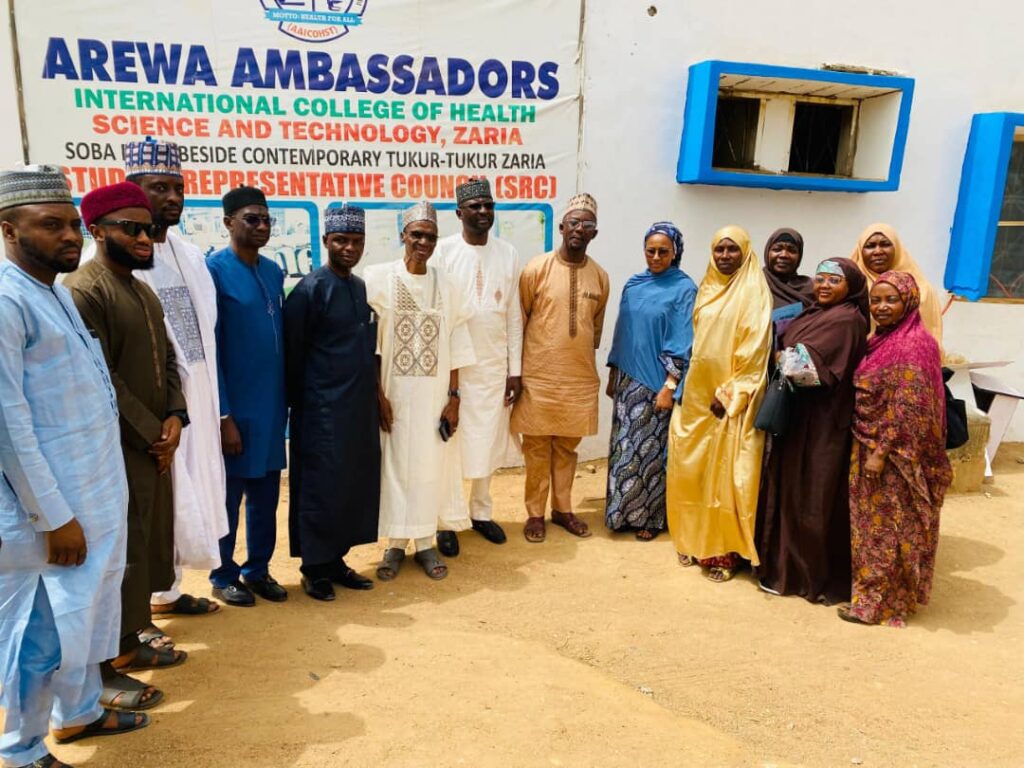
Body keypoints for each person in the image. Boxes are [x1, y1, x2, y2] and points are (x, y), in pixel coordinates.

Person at [0, 165, 146, 768]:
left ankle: (80, 711)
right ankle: (20, 748)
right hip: (46, 511)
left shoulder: (53, 290)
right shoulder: (7, 300)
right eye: (50, 225)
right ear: (9, 230)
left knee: (87, 613)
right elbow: (9, 424)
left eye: (71, 225)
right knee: (41, 632)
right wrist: (52, 517)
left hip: (92, 493)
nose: (68, 236)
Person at [64, 182, 189, 713]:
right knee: (117, 554)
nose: (145, 238)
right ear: (97, 230)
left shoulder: (142, 292)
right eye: (132, 228)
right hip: (112, 449)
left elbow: (168, 361)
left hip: (152, 446)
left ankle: (128, 640)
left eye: (149, 229)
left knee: (146, 546)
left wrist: (175, 416)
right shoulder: (83, 291)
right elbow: (101, 379)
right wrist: (150, 431)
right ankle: (103, 666)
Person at [119, 137, 226, 636]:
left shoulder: (190, 254)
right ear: (133, 189)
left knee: (186, 498)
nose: (173, 198)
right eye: (159, 187)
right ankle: (136, 616)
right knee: (151, 507)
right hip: (152, 408)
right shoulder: (120, 258)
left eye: (178, 187)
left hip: (195, 399)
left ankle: (167, 592)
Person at [366, 201, 475, 582]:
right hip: (394, 396)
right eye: (416, 235)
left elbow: (458, 343)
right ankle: (395, 545)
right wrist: (378, 395)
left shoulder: (448, 284)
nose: (423, 242)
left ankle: (426, 543)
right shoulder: (379, 279)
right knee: (394, 468)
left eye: (430, 236)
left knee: (430, 470)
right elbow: (372, 346)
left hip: (434, 398)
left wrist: (454, 399)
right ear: (403, 235)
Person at [840, 271, 952, 627]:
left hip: (893, 457)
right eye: (876, 300)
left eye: (892, 300)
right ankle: (873, 597)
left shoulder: (914, 345)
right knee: (872, 529)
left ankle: (877, 605)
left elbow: (910, 408)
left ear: (909, 302)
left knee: (886, 530)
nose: (882, 307)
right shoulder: (880, 340)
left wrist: (880, 453)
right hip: (867, 444)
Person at [755, 258, 869, 604]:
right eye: (820, 279)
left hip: (823, 423)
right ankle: (783, 567)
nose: (824, 286)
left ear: (850, 286)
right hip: (799, 417)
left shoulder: (847, 320)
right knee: (790, 490)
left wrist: (780, 357)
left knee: (813, 498)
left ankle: (809, 576)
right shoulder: (813, 313)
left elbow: (803, 370)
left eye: (834, 280)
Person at [284, 205, 380, 602]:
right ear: (325, 241)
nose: (349, 248)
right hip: (320, 411)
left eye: (356, 241)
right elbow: (292, 355)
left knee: (349, 484)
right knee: (319, 488)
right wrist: (305, 406)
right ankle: (314, 568)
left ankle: (336, 560)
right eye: (341, 240)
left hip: (356, 409)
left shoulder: (359, 287)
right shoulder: (310, 290)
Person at [666, 226, 772, 582]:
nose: (725, 256)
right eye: (719, 249)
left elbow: (756, 351)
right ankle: (692, 538)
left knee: (726, 476)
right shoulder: (707, 288)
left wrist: (730, 393)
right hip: (696, 397)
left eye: (732, 249)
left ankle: (724, 552)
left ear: (745, 252)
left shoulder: (754, 291)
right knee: (690, 468)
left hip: (730, 401)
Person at [511, 193, 609, 543]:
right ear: (562, 227)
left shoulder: (600, 277)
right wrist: (516, 373)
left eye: (587, 224)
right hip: (538, 376)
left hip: (578, 378)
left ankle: (563, 509)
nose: (580, 229)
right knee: (536, 447)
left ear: (595, 233)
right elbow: (520, 321)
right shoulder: (535, 269)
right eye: (574, 223)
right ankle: (535, 513)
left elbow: (594, 330)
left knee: (567, 448)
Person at [207, 186, 288, 606]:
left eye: (266, 220)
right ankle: (222, 574)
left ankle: (258, 569)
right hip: (236, 412)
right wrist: (224, 415)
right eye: (251, 219)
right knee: (228, 497)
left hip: (271, 408)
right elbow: (210, 351)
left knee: (266, 497)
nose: (261, 226)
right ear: (228, 223)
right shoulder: (213, 271)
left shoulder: (273, 271)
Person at [433, 177, 522, 556]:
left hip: (493, 367)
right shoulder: (443, 252)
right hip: (454, 369)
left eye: (488, 205)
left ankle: (481, 512)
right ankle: (446, 520)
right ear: (459, 213)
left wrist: (515, 370)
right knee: (451, 444)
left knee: (487, 440)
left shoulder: (508, 253)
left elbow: (513, 316)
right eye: (475, 206)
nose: (483, 211)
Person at [605, 222, 696, 540]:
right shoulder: (633, 284)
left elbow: (684, 340)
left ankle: (651, 518)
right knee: (623, 448)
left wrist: (670, 386)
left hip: (657, 382)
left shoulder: (684, 289)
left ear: (675, 253)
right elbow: (622, 330)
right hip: (627, 379)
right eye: (650, 251)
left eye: (663, 252)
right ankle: (620, 514)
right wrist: (613, 372)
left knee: (651, 453)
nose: (656, 257)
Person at [850, 223, 943, 345]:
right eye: (870, 246)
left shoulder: (922, 289)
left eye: (885, 244)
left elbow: (931, 335)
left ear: (897, 248)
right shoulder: (850, 288)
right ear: (860, 251)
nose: (878, 251)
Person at [763, 227, 815, 340]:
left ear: (800, 255)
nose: (784, 255)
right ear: (767, 252)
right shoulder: (754, 283)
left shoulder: (810, 288)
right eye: (777, 249)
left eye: (791, 250)